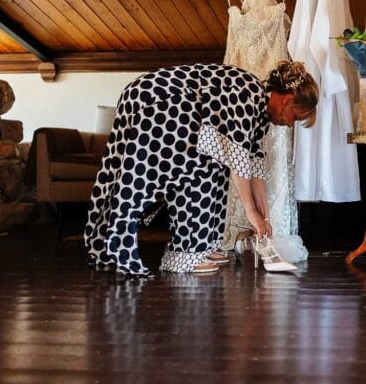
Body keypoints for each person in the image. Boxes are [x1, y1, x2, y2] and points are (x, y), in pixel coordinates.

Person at [84, 60, 318, 275]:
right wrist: (251, 213)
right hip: (159, 102)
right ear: (287, 100)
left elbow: (253, 163)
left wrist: (263, 214)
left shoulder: (258, 108)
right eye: (295, 118)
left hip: (176, 108)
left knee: (214, 169)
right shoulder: (248, 95)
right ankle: (185, 253)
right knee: (198, 171)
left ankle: (200, 246)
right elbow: (237, 164)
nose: (289, 125)